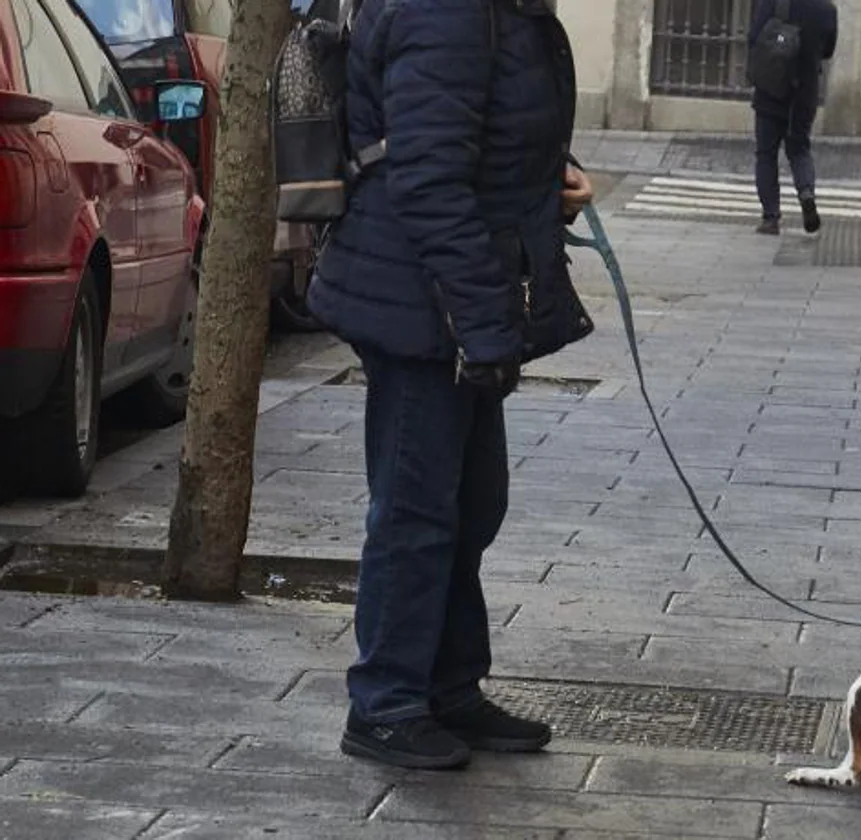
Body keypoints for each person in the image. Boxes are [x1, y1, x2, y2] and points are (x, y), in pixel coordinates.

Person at [306, 0, 595, 769]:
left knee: (470, 503)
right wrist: (484, 323)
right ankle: (387, 702)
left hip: (455, 298)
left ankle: (447, 686)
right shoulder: (449, 10)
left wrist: (546, 178)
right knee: (415, 511)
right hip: (421, 301)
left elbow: (476, 136)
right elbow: (428, 179)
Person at [748, 0, 838, 236]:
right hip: (804, 92)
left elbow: (754, 36)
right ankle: (806, 192)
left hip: (771, 88)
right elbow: (828, 51)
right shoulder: (827, 9)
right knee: (799, 148)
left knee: (766, 153)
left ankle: (771, 218)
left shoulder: (774, 2)